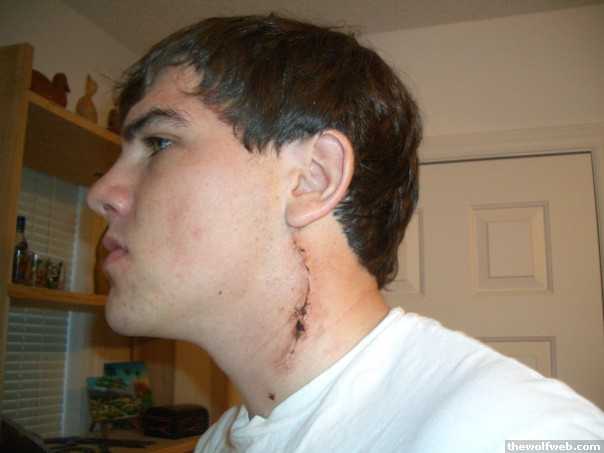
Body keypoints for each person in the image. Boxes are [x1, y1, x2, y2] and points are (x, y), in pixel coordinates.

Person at [87, 14, 604, 453]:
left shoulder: (516, 431)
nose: (101, 191)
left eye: (158, 143)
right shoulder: (218, 441)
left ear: (313, 178)